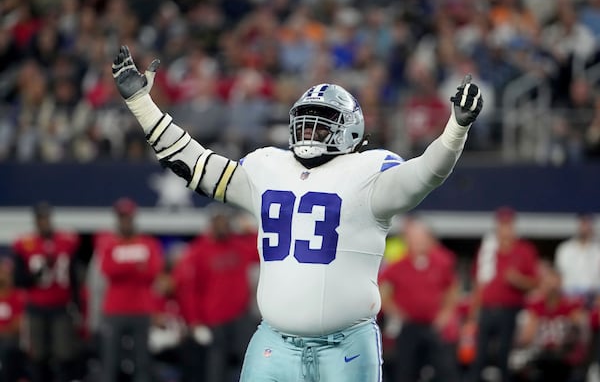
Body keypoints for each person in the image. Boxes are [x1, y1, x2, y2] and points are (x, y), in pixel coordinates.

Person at [111, 44, 483, 381]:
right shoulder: (268, 166)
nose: (310, 132)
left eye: (322, 124)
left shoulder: (371, 171)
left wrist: (456, 128)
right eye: (306, 121)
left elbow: (426, 173)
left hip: (347, 347)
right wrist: (141, 104)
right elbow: (196, 167)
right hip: (275, 343)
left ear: (349, 130)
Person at [171, 205, 259, 382]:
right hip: (214, 320)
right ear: (211, 224)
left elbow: (261, 250)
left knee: (251, 363)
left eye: (225, 221)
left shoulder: (238, 245)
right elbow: (190, 290)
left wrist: (250, 229)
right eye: (218, 221)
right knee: (217, 368)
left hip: (241, 316)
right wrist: (194, 322)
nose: (223, 225)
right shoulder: (198, 251)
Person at [379, 217, 461, 382]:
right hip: (409, 327)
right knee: (406, 370)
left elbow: (452, 289)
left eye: (421, 238)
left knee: (445, 370)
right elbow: (383, 291)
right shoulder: (398, 265)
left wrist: (445, 314)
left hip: (434, 326)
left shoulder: (441, 262)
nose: (418, 242)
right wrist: (396, 312)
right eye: (414, 238)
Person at [467, 207, 540, 382]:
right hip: (487, 309)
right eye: (502, 225)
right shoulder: (487, 250)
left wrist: (518, 280)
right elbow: (478, 284)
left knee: (504, 355)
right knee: (479, 356)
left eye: (508, 225)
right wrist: (472, 315)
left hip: (511, 310)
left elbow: (535, 283)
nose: (505, 229)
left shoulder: (524, 250)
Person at [12, 202, 82, 382]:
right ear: (35, 221)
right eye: (40, 218)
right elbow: (18, 279)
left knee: (64, 354)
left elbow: (74, 276)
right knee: (38, 356)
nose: (44, 222)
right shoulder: (24, 244)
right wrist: (34, 276)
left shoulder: (67, 241)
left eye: (46, 218)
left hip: (61, 307)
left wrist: (78, 304)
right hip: (37, 307)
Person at [97, 197, 164, 382]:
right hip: (114, 310)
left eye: (128, 217)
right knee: (110, 362)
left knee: (142, 362)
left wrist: (123, 266)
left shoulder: (148, 242)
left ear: (133, 218)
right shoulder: (108, 242)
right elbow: (107, 270)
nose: (125, 221)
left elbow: (152, 272)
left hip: (141, 309)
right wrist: (135, 266)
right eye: (122, 217)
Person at [554, 213, 600, 305]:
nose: (585, 227)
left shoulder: (597, 249)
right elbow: (558, 276)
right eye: (583, 223)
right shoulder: (564, 249)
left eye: (588, 223)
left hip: (594, 298)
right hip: (568, 297)